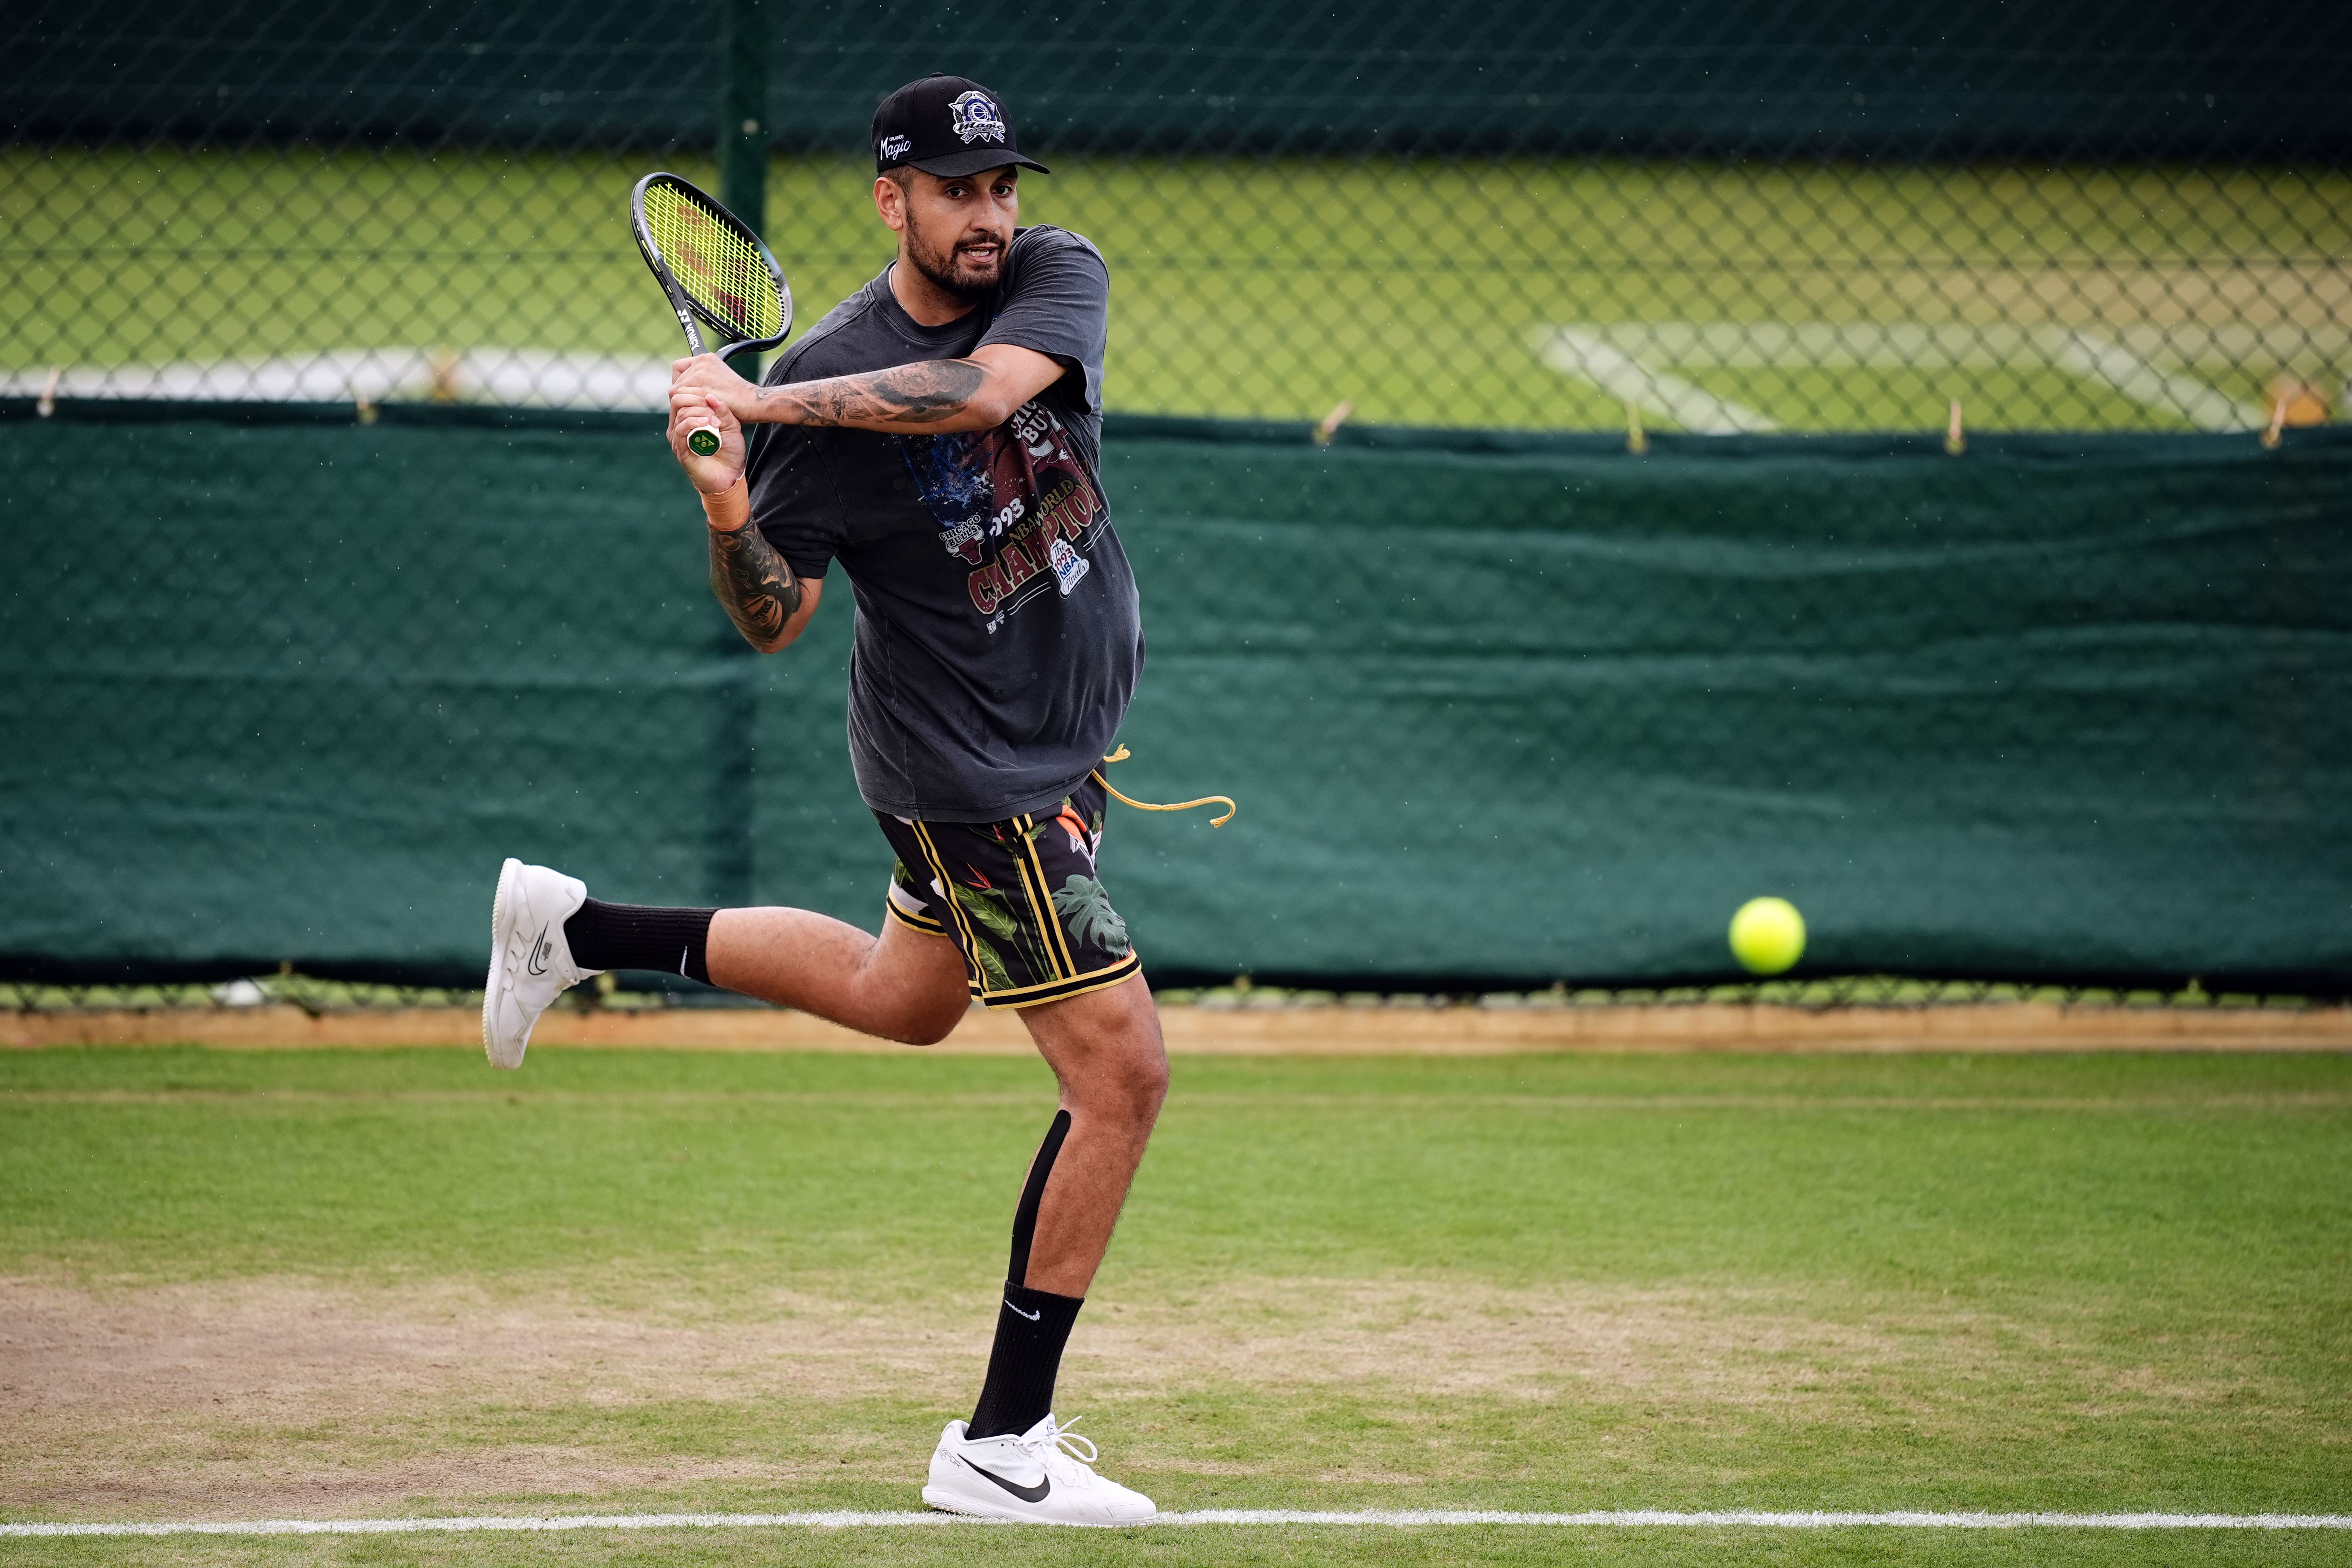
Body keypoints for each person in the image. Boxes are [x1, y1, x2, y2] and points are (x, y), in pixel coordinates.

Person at [481, 74, 1177, 1525]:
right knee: (1119, 1078)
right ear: (891, 200)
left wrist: (756, 394)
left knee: (904, 998)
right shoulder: (825, 392)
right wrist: (733, 503)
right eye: (956, 191)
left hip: (1053, 745)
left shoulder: (1053, 273)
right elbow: (774, 617)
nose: (990, 216)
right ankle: (1001, 1444)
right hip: (966, 775)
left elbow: (979, 397)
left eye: (1001, 187)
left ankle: (578, 929)